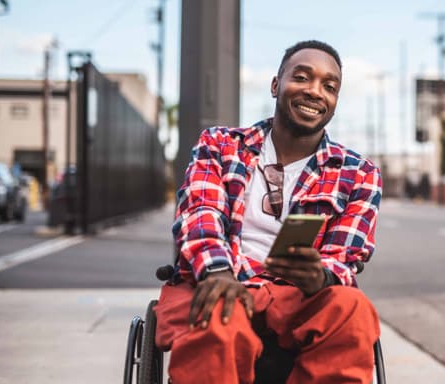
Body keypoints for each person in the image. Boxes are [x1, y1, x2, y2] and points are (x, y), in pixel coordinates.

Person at [154, 40, 382, 384]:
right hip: (223, 279)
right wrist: (218, 273)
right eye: (302, 78)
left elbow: (345, 256)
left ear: (335, 101)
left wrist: (320, 276)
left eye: (329, 86)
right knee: (219, 315)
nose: (315, 92)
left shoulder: (359, 173)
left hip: (296, 296)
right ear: (276, 85)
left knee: (353, 309)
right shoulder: (220, 145)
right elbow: (200, 215)